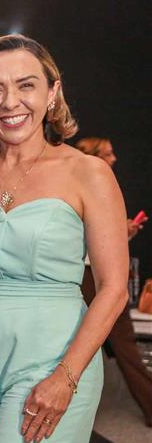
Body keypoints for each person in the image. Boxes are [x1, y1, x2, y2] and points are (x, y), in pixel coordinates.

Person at [0, 34, 129, 443]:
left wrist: (66, 376)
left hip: (53, 358)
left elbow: (113, 288)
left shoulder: (88, 173)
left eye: (26, 85)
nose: (11, 102)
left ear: (52, 92)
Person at [75, 136, 151, 426]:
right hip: (91, 277)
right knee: (124, 344)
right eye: (108, 153)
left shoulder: (92, 183)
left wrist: (122, 232)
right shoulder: (90, 184)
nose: (114, 158)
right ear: (94, 157)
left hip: (91, 274)